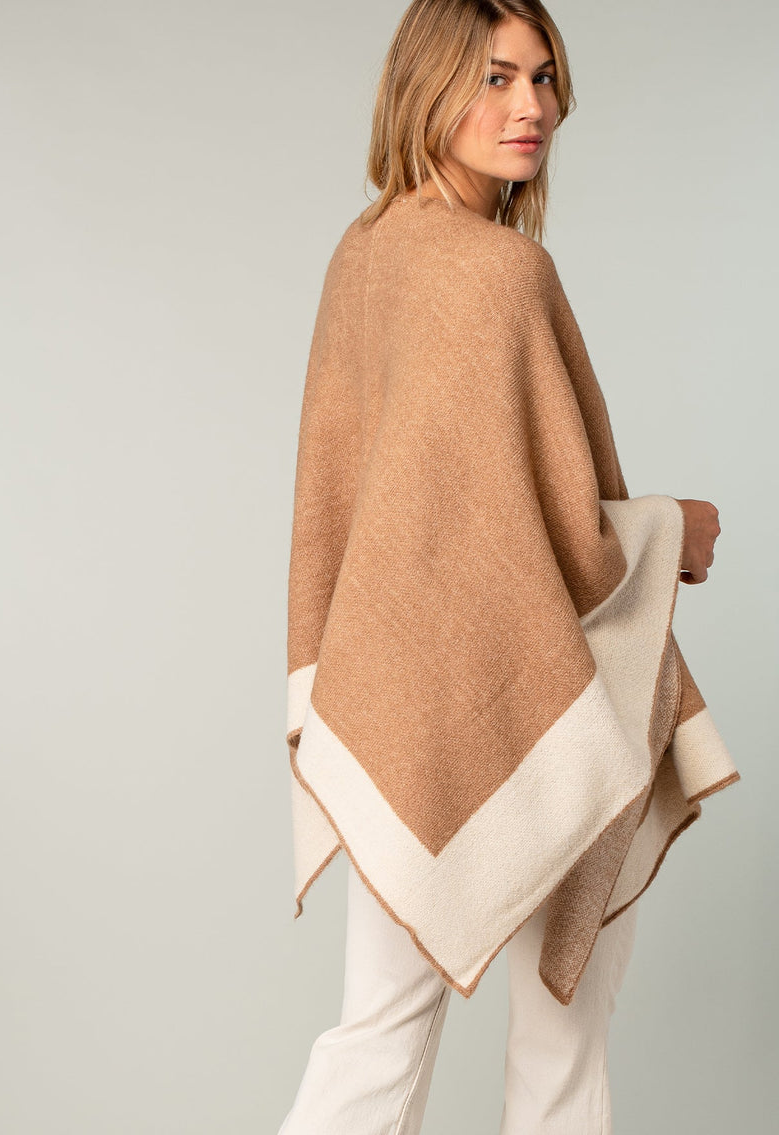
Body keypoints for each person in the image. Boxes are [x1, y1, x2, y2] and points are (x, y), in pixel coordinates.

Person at [279, 1, 724, 1132]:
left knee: (375, 1037)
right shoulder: (501, 273)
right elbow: (563, 539)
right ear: (426, 86)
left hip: (394, 702)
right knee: (560, 1047)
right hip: (542, 690)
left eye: (543, 77)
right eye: (494, 77)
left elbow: (367, 515)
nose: (530, 107)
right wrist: (669, 528)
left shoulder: (363, 253)